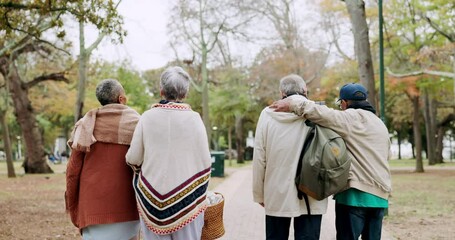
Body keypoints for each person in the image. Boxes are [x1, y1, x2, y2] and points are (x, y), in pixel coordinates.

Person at [270, 83, 392, 240]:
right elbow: (387, 155)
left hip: (354, 196)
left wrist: (292, 103)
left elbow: (321, 113)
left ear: (344, 103)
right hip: (380, 198)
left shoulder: (351, 118)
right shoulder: (380, 125)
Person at [126, 66, 211, 240]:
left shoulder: (147, 117)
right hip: (188, 199)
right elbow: (205, 161)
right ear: (185, 93)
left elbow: (133, 158)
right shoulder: (194, 119)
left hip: (151, 200)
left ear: (161, 90)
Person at [252, 74, 328, 240]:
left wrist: (259, 193)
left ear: (281, 93)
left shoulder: (268, 114)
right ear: (304, 90)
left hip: (276, 189)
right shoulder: (318, 111)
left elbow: (259, 156)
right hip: (312, 190)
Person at [65, 79, 141, 240]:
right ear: (121, 99)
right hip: (127, 205)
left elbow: (72, 171)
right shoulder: (138, 124)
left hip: (92, 206)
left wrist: (72, 203)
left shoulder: (85, 125)